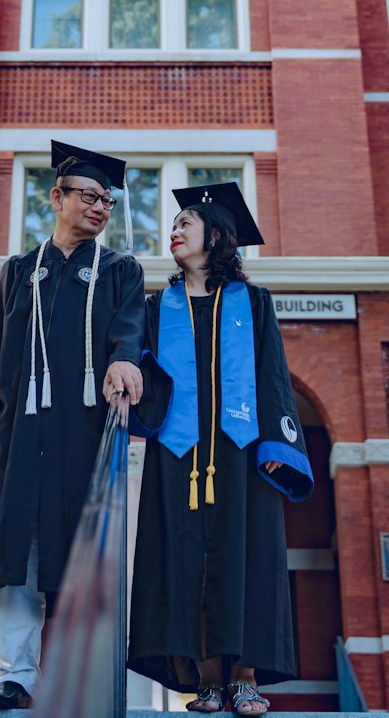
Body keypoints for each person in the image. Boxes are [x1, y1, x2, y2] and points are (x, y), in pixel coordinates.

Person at [0, 141, 145, 711]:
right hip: (20, 433)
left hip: (83, 435)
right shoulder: (19, 272)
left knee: (82, 548)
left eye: (107, 201)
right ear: (56, 197)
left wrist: (124, 358)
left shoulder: (119, 270)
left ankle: (83, 677)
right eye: (88, 196)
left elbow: (131, 329)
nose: (99, 208)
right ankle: (15, 676)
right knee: (15, 550)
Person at [128, 182, 313, 717]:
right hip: (178, 455)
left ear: (216, 236)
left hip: (242, 450)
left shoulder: (252, 303)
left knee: (243, 554)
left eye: (186, 221)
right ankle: (207, 680)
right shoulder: (156, 307)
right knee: (186, 560)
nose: (175, 230)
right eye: (174, 224)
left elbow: (272, 374)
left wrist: (278, 442)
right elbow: (141, 370)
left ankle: (247, 680)